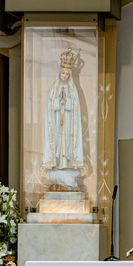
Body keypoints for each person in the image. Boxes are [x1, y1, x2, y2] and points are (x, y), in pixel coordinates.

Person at [42, 49, 85, 190]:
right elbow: (50, 106)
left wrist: (66, 102)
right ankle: (57, 164)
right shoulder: (54, 88)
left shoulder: (72, 89)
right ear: (59, 73)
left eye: (67, 74)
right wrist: (58, 102)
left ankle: (66, 164)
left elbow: (75, 107)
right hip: (56, 121)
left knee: (66, 141)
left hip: (67, 121)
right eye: (63, 73)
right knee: (57, 141)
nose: (65, 76)